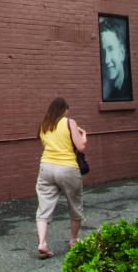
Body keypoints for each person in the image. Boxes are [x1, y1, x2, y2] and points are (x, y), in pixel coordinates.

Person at [35, 97, 86, 260]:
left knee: (44, 207)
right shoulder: (70, 122)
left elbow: (45, 147)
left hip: (46, 167)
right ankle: (73, 240)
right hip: (67, 168)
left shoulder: (44, 125)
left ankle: (42, 243)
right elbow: (81, 147)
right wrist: (83, 136)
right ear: (64, 110)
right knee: (75, 204)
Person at [100, 24, 132, 101]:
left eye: (111, 49)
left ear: (122, 53)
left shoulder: (128, 91)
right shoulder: (105, 90)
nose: (106, 60)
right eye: (102, 52)